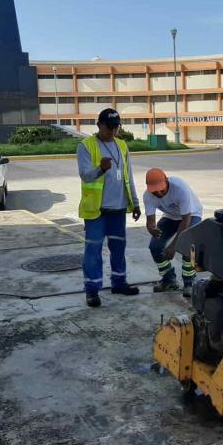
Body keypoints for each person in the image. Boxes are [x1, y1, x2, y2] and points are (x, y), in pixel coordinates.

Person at [77, 108, 142, 308]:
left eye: (116, 127)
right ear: (99, 125)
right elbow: (85, 175)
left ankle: (119, 283)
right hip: (97, 210)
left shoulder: (122, 145)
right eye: (109, 127)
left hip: (119, 209)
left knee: (118, 249)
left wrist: (136, 202)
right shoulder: (86, 146)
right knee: (93, 252)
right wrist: (101, 169)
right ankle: (92, 290)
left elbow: (128, 175)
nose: (113, 131)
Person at [144, 168, 203, 298]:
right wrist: (151, 228)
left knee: (189, 245)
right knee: (155, 247)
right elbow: (150, 220)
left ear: (166, 181)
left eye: (162, 189)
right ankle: (169, 279)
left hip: (192, 215)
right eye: (154, 191)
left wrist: (173, 247)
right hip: (171, 217)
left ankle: (189, 281)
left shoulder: (180, 188)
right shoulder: (147, 196)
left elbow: (186, 221)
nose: (159, 193)